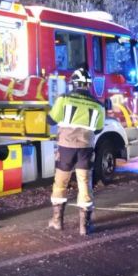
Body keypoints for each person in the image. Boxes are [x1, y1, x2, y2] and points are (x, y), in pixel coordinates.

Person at [47, 67, 105, 234]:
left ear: (74, 84)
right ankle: (84, 227)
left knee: (60, 182)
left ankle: (57, 221)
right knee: (85, 184)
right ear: (88, 85)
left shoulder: (64, 99)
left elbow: (51, 120)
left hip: (66, 148)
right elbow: (98, 128)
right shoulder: (98, 105)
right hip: (85, 149)